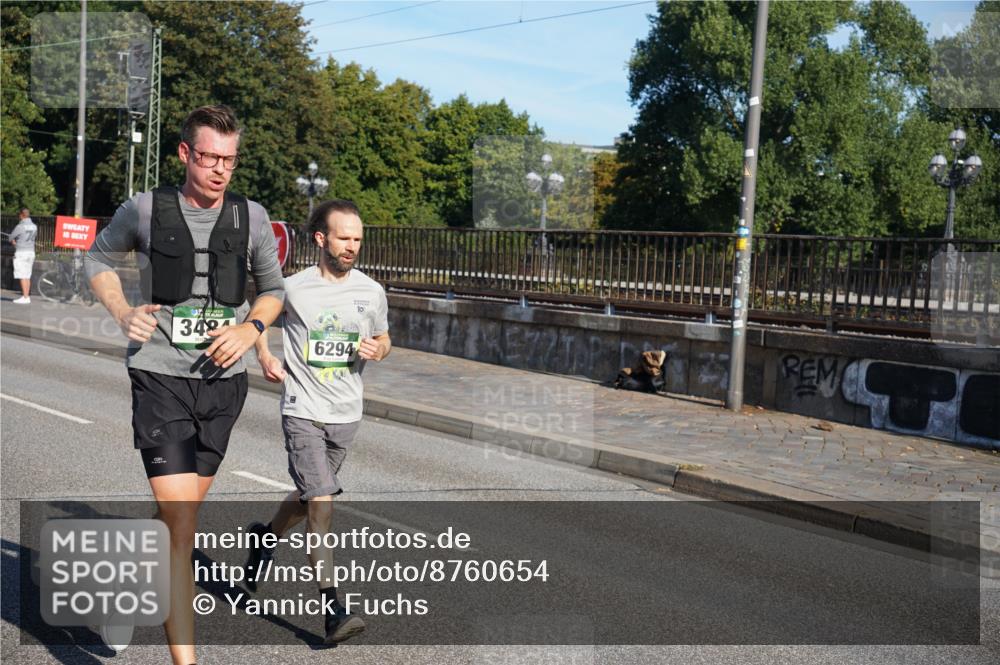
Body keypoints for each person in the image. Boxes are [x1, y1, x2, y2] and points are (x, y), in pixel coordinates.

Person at [86, 105, 284, 665]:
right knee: (181, 528)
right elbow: (97, 259)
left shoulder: (253, 217)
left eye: (229, 159)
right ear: (184, 153)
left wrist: (251, 328)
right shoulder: (146, 209)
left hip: (223, 387)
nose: (220, 170)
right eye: (208, 158)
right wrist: (123, 311)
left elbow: (273, 290)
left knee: (178, 516)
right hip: (158, 376)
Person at [246, 199, 390, 645]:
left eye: (358, 239)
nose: (352, 247)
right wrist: (266, 355)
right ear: (321, 239)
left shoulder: (371, 291)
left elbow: (385, 338)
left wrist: (377, 350)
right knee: (323, 501)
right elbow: (256, 319)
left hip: (347, 414)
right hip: (302, 410)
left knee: (310, 496)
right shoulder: (292, 287)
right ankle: (333, 609)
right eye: (344, 238)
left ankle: (266, 540)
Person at [10, 207, 37, 304]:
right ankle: (27, 296)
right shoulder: (34, 226)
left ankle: (25, 297)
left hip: (21, 252)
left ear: (21, 215)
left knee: (22, 274)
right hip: (31, 252)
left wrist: (13, 242)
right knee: (27, 275)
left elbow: (11, 237)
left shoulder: (20, 226)